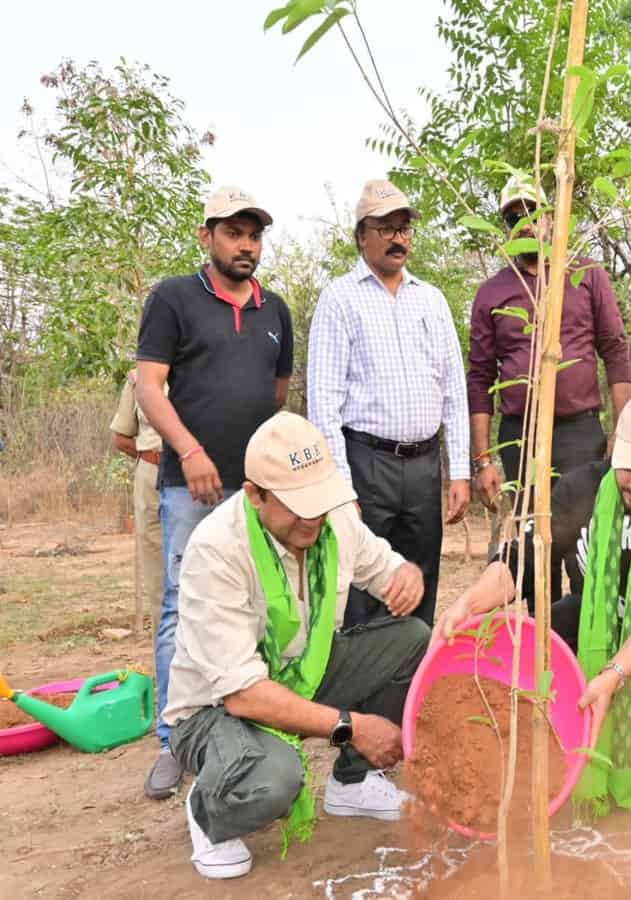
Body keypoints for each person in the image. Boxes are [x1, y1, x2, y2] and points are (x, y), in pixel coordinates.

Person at [164, 411, 430, 879]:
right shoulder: (215, 550)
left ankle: (353, 781)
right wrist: (352, 727)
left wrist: (407, 577)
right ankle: (212, 806)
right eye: (297, 504)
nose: (314, 517)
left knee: (412, 640)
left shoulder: (334, 520)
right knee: (276, 779)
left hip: (305, 671)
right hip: (216, 710)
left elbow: (388, 568)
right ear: (255, 495)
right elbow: (243, 692)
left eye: (320, 500)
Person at [437, 387, 631, 806]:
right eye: (627, 467)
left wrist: (613, 674)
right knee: (533, 643)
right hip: (591, 618)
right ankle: (558, 736)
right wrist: (469, 603)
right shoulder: (580, 489)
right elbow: (523, 560)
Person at [136, 185, 293, 801]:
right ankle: (173, 738)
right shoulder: (174, 298)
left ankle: (247, 722)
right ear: (207, 236)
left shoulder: (276, 310)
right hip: (191, 485)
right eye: (233, 232)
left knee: (256, 600)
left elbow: (276, 395)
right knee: (183, 603)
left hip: (259, 489)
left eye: (254, 234)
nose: (246, 245)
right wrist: (193, 451)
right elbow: (150, 387)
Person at [308, 178, 469, 629]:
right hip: (367, 465)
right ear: (362, 236)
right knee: (364, 586)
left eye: (404, 228)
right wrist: (341, 488)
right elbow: (324, 403)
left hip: (423, 466)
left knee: (419, 582)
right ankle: (367, 692)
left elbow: (454, 391)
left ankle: (411, 690)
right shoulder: (339, 299)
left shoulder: (431, 301)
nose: (398, 237)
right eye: (386, 228)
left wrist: (459, 472)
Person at [468, 173, 631, 600]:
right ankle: (542, 652)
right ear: (505, 228)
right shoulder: (492, 293)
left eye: (532, 212)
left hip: (580, 434)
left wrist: (623, 427)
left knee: (582, 541)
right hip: (519, 436)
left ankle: (584, 649)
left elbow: (615, 349)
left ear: (550, 217)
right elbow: (481, 375)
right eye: (513, 217)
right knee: (531, 547)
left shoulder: (585, 275)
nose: (524, 223)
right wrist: (484, 459)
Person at [110, 368, 165, 636]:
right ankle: (164, 669)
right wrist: (154, 460)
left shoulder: (203, 368)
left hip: (197, 477)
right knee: (158, 582)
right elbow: (121, 438)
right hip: (151, 476)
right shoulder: (138, 380)